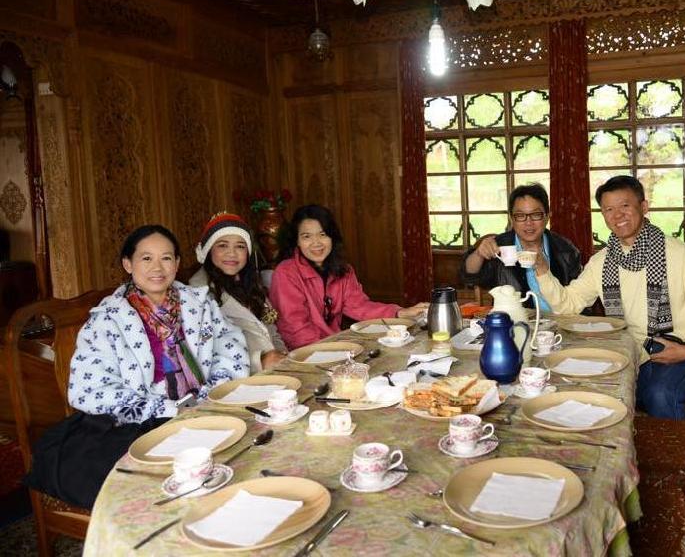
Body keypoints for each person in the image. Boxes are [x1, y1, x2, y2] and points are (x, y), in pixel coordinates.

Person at [25, 225, 248, 508]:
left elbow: (230, 346)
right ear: (128, 264)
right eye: (146, 258)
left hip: (203, 408)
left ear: (177, 264)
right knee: (172, 485)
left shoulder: (198, 303)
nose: (158, 267)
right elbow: (89, 389)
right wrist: (170, 410)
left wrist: (212, 393)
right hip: (143, 422)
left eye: (166, 258)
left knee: (250, 452)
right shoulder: (108, 318)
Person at [533, 176, 685, 420]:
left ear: (643, 207)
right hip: (628, 352)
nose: (617, 215)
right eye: (609, 209)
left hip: (680, 352)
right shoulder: (602, 261)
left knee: (659, 394)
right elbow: (568, 304)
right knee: (582, 387)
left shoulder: (680, 254)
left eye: (625, 206)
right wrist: (542, 270)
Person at [270, 204, 429, 350]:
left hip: (336, 347)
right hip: (304, 353)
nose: (316, 243)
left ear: (332, 237)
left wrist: (400, 313)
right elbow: (295, 329)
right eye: (306, 236)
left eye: (322, 234)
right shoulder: (286, 272)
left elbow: (360, 307)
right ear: (297, 241)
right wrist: (334, 350)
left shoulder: (344, 270)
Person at [190, 212, 287, 372]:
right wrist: (259, 361)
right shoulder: (198, 293)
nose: (232, 253)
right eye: (222, 245)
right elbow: (209, 349)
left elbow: (272, 332)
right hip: (238, 378)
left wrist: (284, 358)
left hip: (274, 372)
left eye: (240, 246)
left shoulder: (250, 284)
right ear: (208, 250)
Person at [461, 183, 583, 309]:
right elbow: (469, 276)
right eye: (520, 216)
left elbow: (579, 298)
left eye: (536, 215)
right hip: (513, 321)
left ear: (547, 216)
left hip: (559, 322)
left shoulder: (566, 250)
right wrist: (479, 254)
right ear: (511, 218)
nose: (528, 223)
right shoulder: (500, 246)